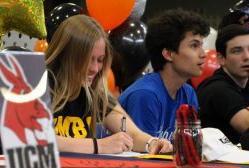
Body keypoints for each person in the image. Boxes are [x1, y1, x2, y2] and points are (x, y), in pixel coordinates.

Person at [45, 15, 172, 154]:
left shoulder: (94, 92)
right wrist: (98, 146)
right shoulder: (38, 84)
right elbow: (34, 140)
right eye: (88, 59)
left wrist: (152, 143)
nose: (95, 68)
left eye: (100, 60)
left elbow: (133, 134)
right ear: (67, 56)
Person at [118, 8, 210, 142]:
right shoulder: (145, 94)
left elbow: (188, 148)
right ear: (168, 54)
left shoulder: (188, 93)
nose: (203, 54)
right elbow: (142, 155)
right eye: (194, 46)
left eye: (201, 45)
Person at [196, 24, 249, 149]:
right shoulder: (216, 88)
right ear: (221, 59)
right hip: (212, 165)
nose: (247, 56)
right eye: (237, 50)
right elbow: (246, 124)